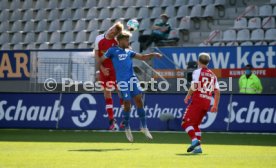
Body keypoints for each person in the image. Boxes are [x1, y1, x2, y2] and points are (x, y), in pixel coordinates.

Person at [99, 30, 162, 142]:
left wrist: (153, 54)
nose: (128, 42)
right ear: (120, 40)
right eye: (126, 40)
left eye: (128, 40)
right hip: (122, 82)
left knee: (139, 100)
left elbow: (142, 57)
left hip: (132, 79)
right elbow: (100, 60)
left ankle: (143, 127)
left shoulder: (129, 52)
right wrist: (103, 69)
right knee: (127, 103)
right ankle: (127, 127)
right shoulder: (112, 51)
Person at [182, 53, 220, 154]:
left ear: (198, 61)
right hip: (207, 102)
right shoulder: (213, 75)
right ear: (208, 62)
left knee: (185, 123)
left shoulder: (197, 72)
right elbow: (217, 92)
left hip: (198, 100)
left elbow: (194, 86)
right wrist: (215, 105)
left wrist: (188, 96)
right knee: (195, 125)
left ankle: (195, 141)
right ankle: (198, 148)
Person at [94, 22, 124, 131]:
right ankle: (112, 120)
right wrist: (101, 69)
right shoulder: (98, 38)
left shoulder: (117, 42)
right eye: (111, 29)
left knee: (120, 91)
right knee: (107, 93)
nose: (111, 32)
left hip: (115, 70)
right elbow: (97, 55)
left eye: (114, 32)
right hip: (104, 69)